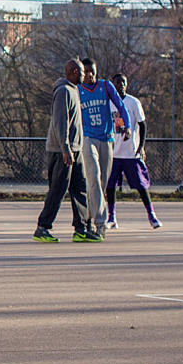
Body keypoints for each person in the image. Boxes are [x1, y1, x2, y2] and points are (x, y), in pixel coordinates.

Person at [34, 59, 88, 242]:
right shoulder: (64, 91)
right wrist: (65, 148)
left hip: (75, 149)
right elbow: (60, 122)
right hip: (62, 150)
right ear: (73, 72)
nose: (85, 75)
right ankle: (42, 227)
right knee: (58, 189)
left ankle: (81, 228)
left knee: (80, 188)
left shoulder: (74, 90)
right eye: (82, 72)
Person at [75, 58, 130, 239]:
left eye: (92, 71)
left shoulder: (105, 86)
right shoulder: (77, 90)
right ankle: (99, 224)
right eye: (86, 72)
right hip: (88, 138)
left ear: (96, 72)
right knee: (94, 177)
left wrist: (126, 126)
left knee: (102, 183)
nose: (89, 75)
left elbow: (120, 105)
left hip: (106, 138)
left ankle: (90, 219)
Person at [105, 74, 160, 230]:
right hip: (114, 152)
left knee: (141, 185)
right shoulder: (108, 103)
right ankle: (112, 217)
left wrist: (141, 146)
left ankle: (151, 215)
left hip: (130, 153)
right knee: (110, 186)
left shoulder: (133, 102)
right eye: (117, 82)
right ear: (112, 85)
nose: (121, 85)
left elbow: (142, 125)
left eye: (123, 82)